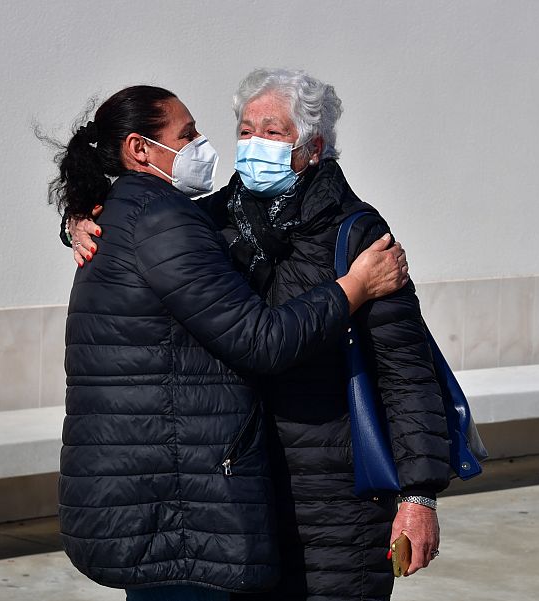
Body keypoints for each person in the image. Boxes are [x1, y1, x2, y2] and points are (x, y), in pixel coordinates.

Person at [65, 71, 450, 601]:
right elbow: (140, 225)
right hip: (237, 500)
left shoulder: (356, 235)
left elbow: (406, 372)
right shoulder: (209, 220)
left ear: (311, 148)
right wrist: (79, 219)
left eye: (271, 132)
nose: (250, 144)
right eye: (245, 130)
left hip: (335, 502)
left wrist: (419, 495)